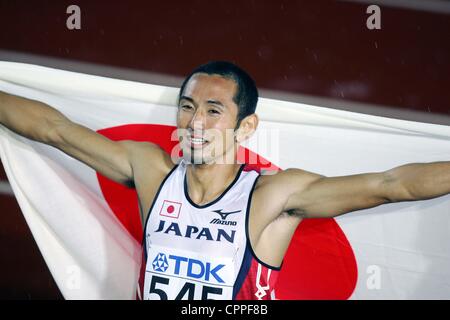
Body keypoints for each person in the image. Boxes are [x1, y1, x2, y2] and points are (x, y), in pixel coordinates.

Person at [0, 61, 449, 300]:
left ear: (246, 127)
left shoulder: (273, 195)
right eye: (188, 106)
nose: (195, 121)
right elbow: (53, 129)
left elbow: (392, 184)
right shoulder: (151, 171)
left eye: (214, 111)